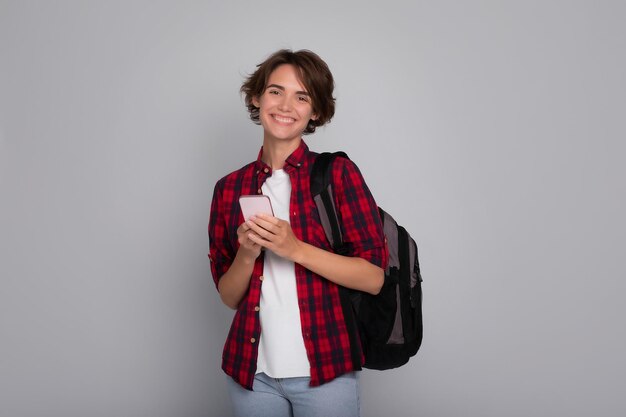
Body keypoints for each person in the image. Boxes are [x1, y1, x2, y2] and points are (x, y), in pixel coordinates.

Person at [208, 49, 388, 417]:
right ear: (257, 97)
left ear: (315, 111)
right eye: (276, 91)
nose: (286, 105)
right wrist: (246, 254)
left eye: (302, 96)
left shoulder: (337, 175)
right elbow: (229, 297)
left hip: (325, 370)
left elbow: (373, 278)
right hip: (251, 373)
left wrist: (294, 248)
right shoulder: (229, 187)